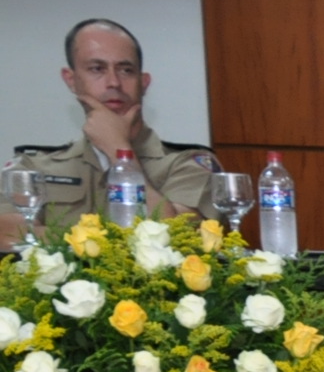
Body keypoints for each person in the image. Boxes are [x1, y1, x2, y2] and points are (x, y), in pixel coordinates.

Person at [2, 19, 219, 244]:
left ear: (144, 82)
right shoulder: (32, 167)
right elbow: (7, 236)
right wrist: (108, 244)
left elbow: (178, 239)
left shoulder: (187, 165)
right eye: (97, 69)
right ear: (71, 80)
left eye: (126, 70)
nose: (114, 82)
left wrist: (120, 152)